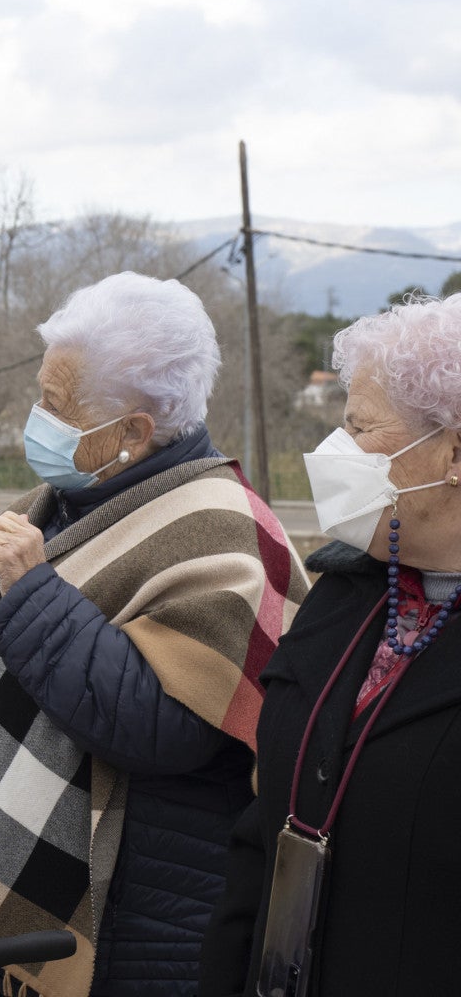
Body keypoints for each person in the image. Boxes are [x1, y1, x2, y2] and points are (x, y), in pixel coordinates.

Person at [0, 272, 308, 997]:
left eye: (56, 403)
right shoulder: (61, 502)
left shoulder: (224, 529)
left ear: (134, 431)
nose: (35, 418)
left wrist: (34, 591)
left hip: (136, 925)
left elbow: (161, 728)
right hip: (12, 895)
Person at [200, 295, 461, 996]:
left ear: (454, 453)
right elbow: (264, 826)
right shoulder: (344, 596)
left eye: (361, 429)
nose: (333, 454)